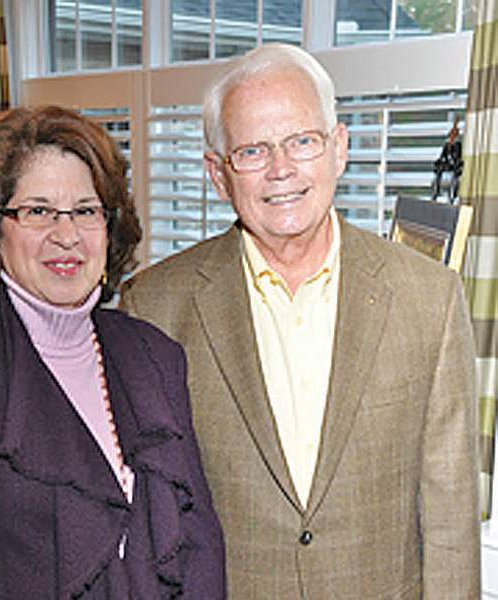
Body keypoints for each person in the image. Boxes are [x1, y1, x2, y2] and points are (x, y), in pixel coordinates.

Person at [120, 43, 480, 598]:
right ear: (219, 175)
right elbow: (150, 522)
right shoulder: (155, 308)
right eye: (253, 151)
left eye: (302, 141)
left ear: (339, 148)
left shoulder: (428, 298)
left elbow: (451, 516)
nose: (281, 170)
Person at [0, 106, 225, 599]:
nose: (66, 235)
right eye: (37, 211)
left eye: (86, 210)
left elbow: (199, 543)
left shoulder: (155, 356)